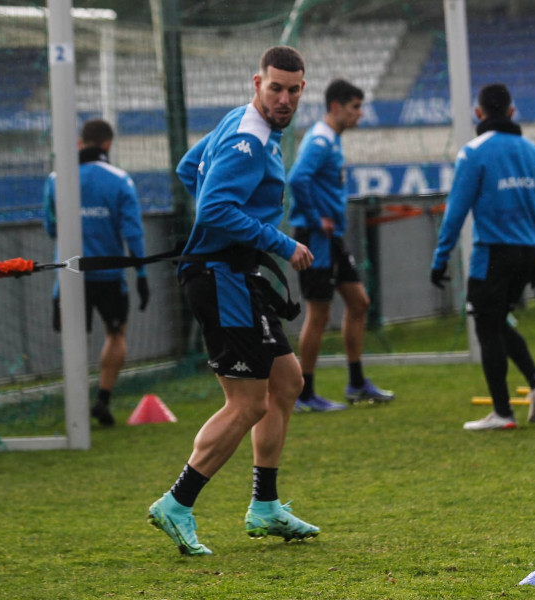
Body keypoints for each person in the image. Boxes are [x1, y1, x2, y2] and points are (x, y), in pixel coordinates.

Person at [146, 46, 319, 556]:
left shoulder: (243, 124)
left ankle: (265, 506)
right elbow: (217, 205)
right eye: (275, 88)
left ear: (302, 89)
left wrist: (233, 232)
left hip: (236, 274)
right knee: (247, 403)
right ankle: (177, 503)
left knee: (287, 382)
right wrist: (281, 243)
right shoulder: (247, 138)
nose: (284, 98)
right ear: (257, 83)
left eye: (292, 89)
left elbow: (187, 167)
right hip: (220, 277)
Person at [430, 83, 535, 431]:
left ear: (478, 113)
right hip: (528, 253)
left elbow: (456, 212)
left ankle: (502, 412)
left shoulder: (473, 153)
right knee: (499, 321)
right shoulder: (533, 153)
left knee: (486, 326)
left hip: (493, 254)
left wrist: (440, 259)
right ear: (512, 112)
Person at [287, 78, 395, 412]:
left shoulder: (330, 139)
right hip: (316, 237)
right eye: (355, 107)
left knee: (359, 302)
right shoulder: (320, 140)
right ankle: (304, 394)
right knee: (319, 312)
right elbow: (296, 178)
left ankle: (357, 382)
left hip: (331, 238)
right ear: (336, 107)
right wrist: (318, 218)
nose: (360, 114)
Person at [43, 118, 150, 427]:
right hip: (108, 275)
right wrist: (141, 275)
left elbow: (50, 226)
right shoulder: (120, 180)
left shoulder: (55, 179)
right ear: (107, 144)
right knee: (116, 334)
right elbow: (133, 233)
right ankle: (102, 398)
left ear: (80, 143)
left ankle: (75, 406)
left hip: (68, 274)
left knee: (74, 338)